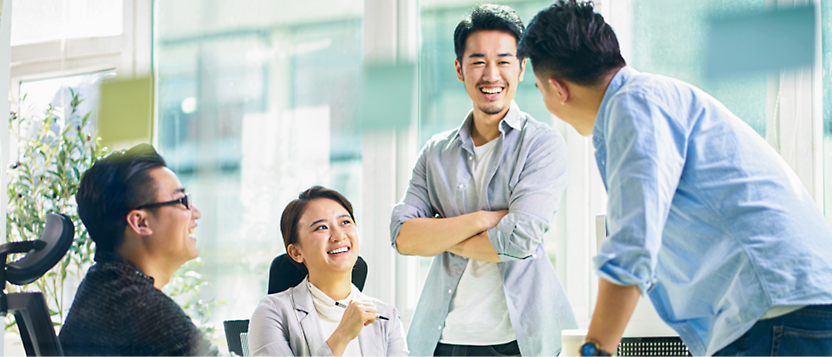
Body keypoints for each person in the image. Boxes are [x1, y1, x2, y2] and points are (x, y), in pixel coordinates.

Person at [518, 1, 832, 356]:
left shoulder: (632, 105)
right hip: (789, 308)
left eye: (539, 89)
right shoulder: (653, 98)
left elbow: (632, 245)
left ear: (558, 89)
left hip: (778, 313)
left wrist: (595, 350)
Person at [390, 4, 578, 357]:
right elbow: (403, 237)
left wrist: (442, 234)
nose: (491, 74)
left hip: (519, 341)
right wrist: (482, 220)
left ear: (522, 68)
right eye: (478, 61)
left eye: (504, 61)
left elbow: (519, 239)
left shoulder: (542, 144)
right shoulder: (435, 153)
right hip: (440, 340)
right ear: (460, 69)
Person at [60, 144, 219, 356]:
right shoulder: (140, 308)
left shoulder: (105, 284)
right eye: (182, 201)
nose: (195, 214)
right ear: (140, 222)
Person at [248, 186, 408, 357]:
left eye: (345, 222)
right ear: (296, 252)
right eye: (321, 227)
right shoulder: (272, 313)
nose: (339, 235)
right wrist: (343, 334)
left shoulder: (386, 317)